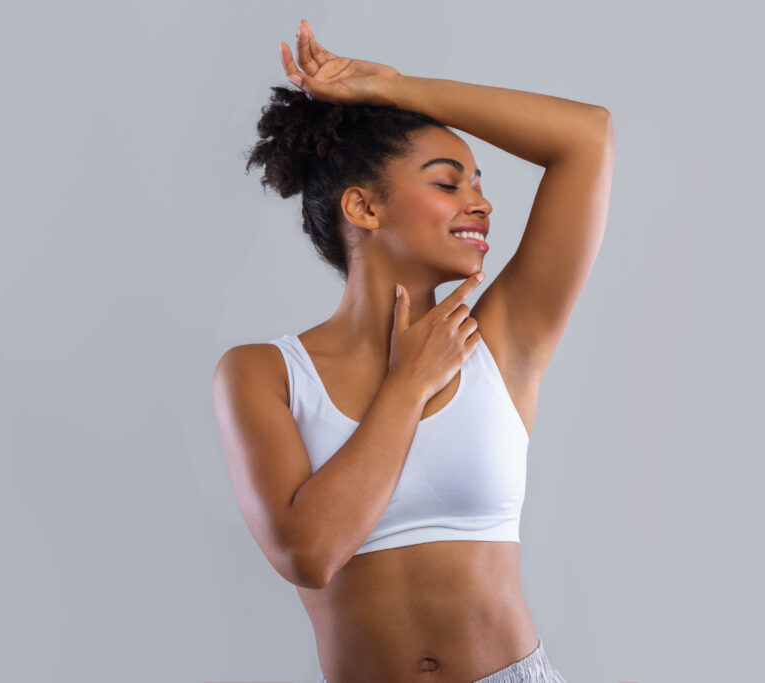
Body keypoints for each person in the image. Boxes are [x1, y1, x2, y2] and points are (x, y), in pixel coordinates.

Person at [213, 18, 614, 683]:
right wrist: (408, 385)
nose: (481, 203)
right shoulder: (264, 373)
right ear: (364, 208)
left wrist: (398, 88)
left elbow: (587, 137)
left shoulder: (502, 342)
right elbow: (311, 552)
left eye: (479, 184)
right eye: (448, 182)